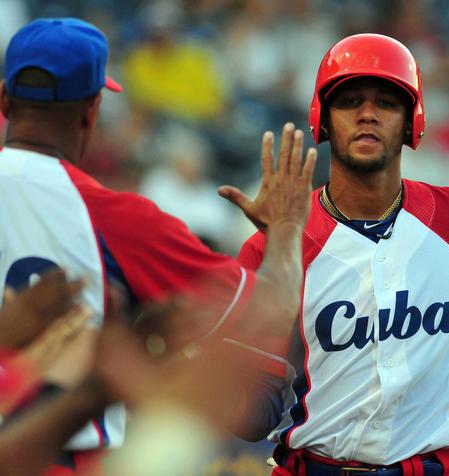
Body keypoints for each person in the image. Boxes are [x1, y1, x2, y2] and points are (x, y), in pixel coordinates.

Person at [0, 17, 316, 475]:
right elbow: (268, 304)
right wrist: (285, 227)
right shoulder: (115, 217)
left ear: (5, 99)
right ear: (92, 110)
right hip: (66, 458)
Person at [237, 34, 449, 475]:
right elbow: (254, 417)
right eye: (350, 101)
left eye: (387, 103)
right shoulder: (278, 245)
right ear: (324, 120)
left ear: (412, 121)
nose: (367, 114)